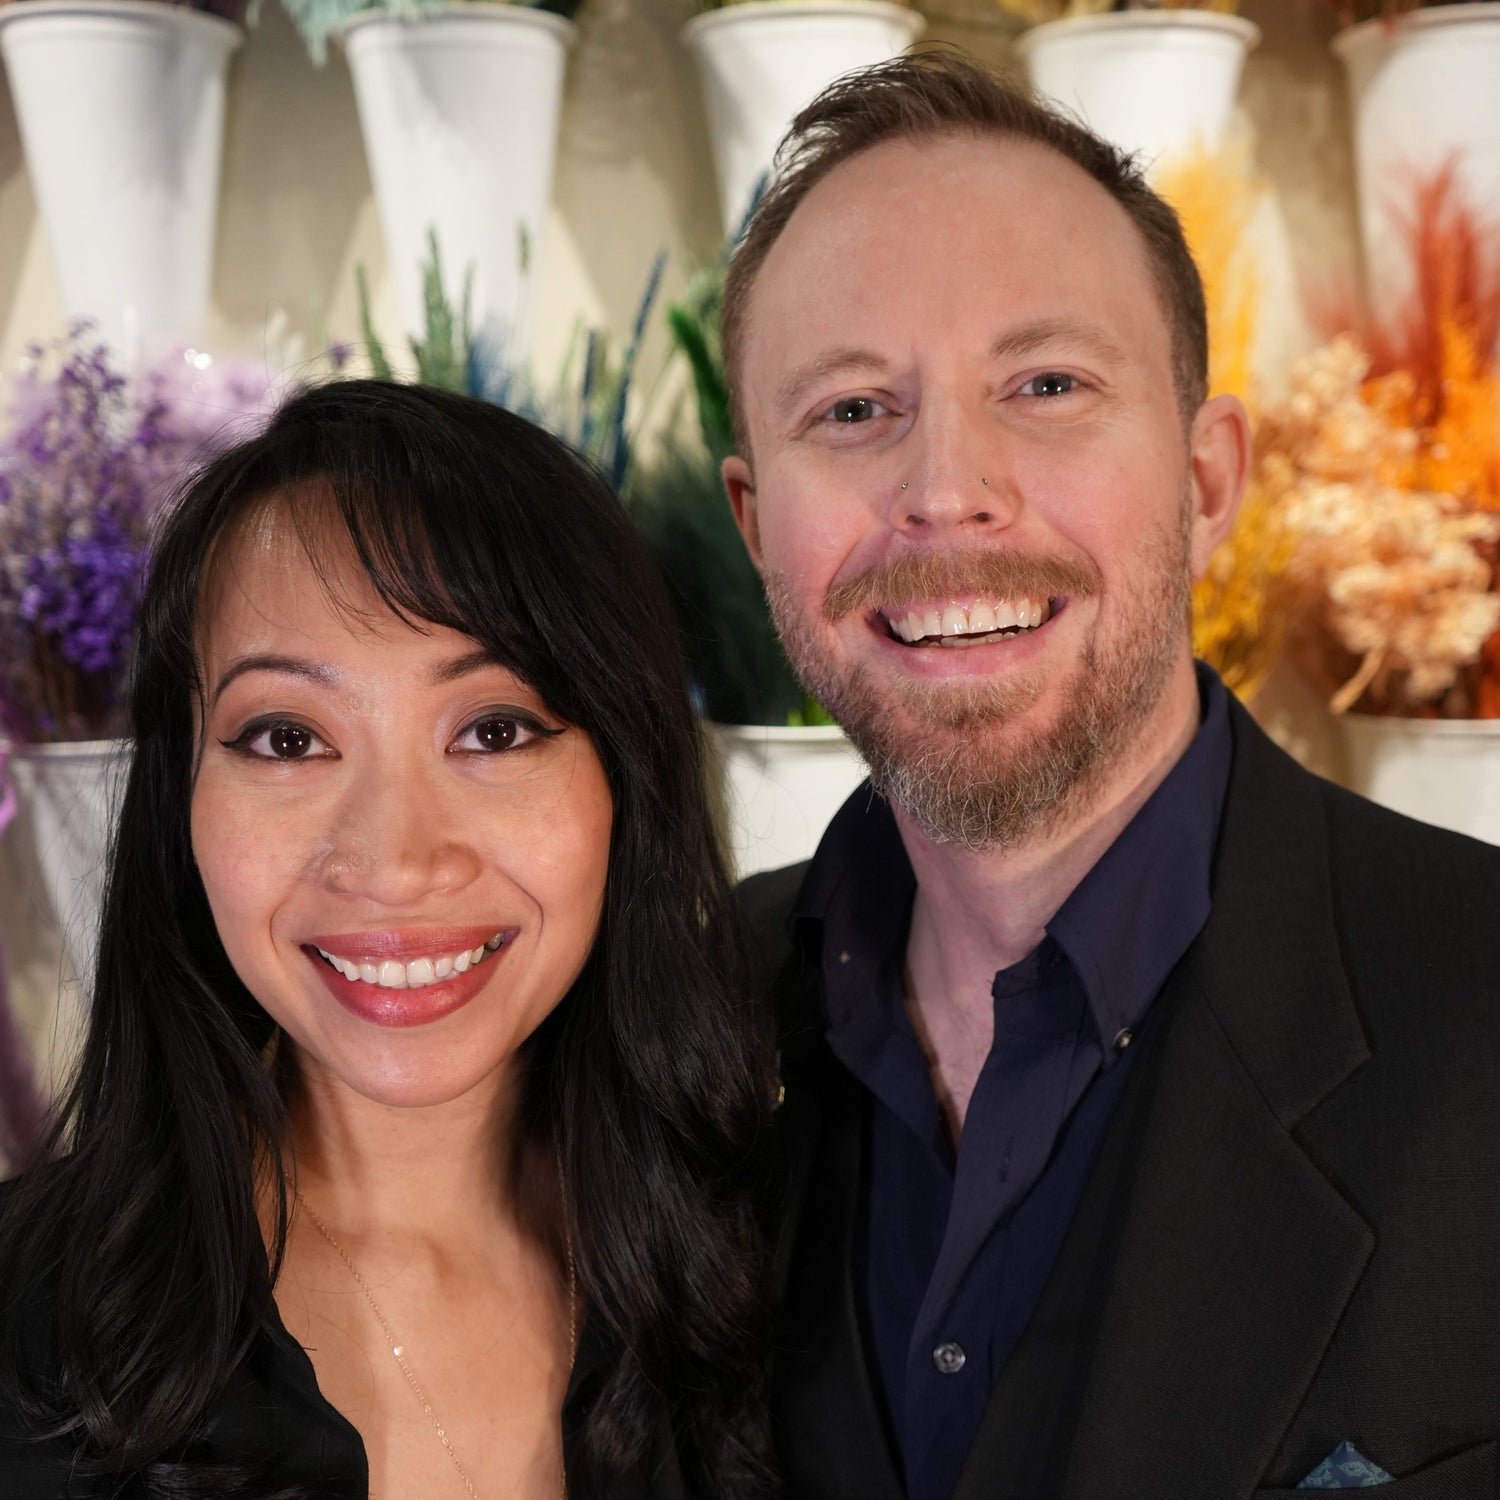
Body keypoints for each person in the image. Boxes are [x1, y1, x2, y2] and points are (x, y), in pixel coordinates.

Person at [721, 52, 1500, 1500]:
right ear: (757, 523)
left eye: (1048, 383)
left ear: (1208, 483)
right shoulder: (663, 1027)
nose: (947, 487)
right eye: (850, 410)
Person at [0, 380, 778, 1500]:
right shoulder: (27, 1339)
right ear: (184, 799)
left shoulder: (783, 1270)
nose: (395, 859)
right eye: (286, 738)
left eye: (494, 730)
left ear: (626, 771)